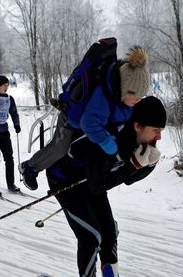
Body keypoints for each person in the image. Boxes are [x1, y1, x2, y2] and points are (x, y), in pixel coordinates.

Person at [46, 96, 166, 277]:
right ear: (137, 125)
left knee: (110, 230)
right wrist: (134, 165)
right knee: (91, 235)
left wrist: (145, 167)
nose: (159, 136)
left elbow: (126, 179)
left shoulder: (140, 139)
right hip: (66, 181)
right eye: (156, 130)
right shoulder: (109, 136)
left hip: (91, 184)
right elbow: (99, 182)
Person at [20, 45, 151, 191]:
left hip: (88, 120)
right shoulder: (103, 97)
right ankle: (30, 167)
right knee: (60, 148)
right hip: (71, 119)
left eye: (141, 97)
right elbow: (89, 124)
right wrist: (106, 141)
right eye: (135, 97)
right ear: (124, 89)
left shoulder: (119, 93)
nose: (138, 101)